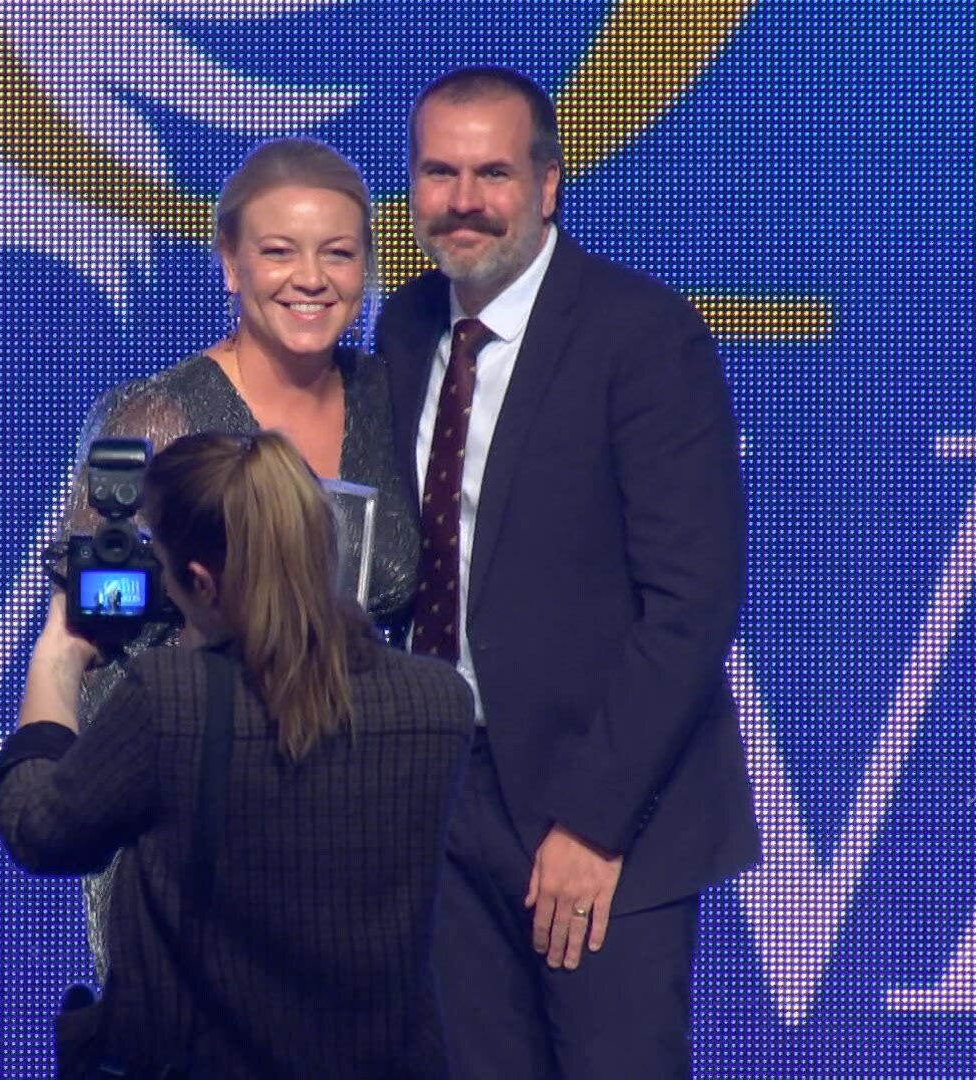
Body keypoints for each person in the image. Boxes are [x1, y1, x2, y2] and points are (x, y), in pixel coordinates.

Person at [378, 68, 758, 1077]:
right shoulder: (403, 329)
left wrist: (591, 823)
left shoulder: (643, 336)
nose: (465, 200)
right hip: (444, 795)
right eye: (440, 172)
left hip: (604, 812)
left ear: (548, 185)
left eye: (493, 172)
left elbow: (693, 602)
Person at [0, 431, 475, 1077]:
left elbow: (40, 831)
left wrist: (58, 658)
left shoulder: (169, 700)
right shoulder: (440, 704)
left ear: (202, 582)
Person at [59, 136, 421, 971]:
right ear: (230, 263)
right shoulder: (155, 418)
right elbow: (93, 617)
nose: (311, 278)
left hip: (358, 825)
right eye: (279, 251)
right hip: (189, 818)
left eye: (338, 252)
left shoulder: (396, 406)